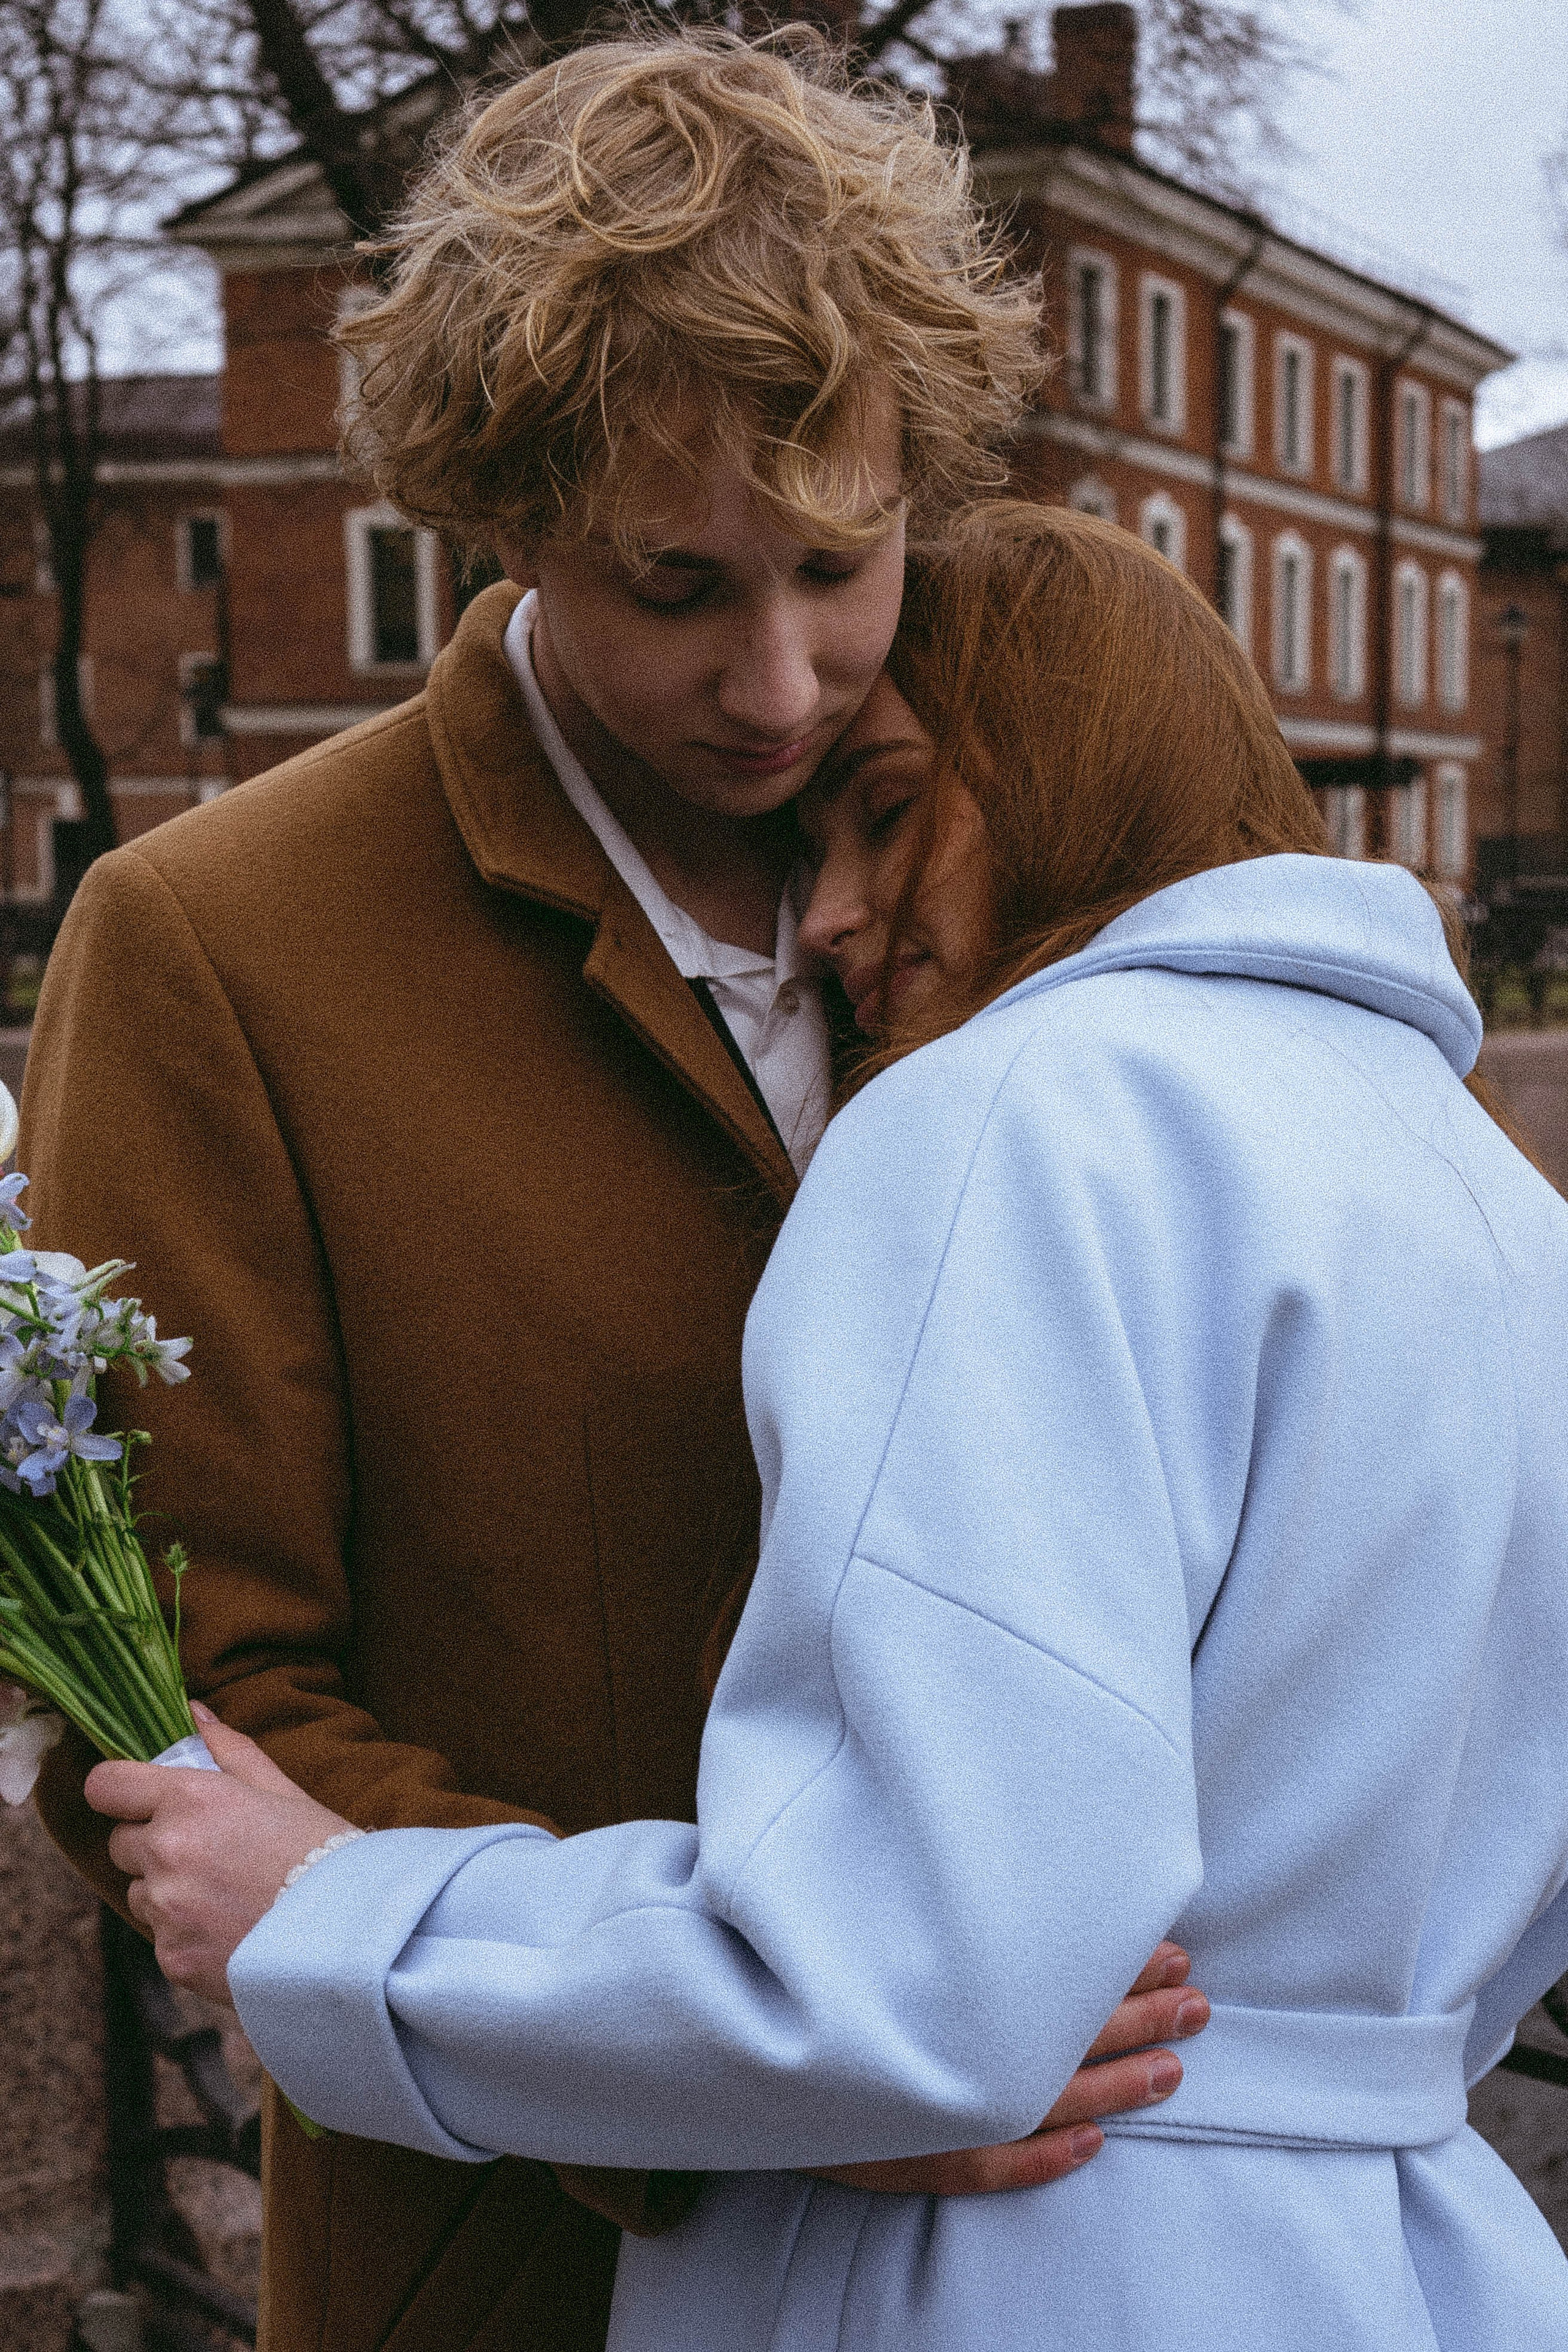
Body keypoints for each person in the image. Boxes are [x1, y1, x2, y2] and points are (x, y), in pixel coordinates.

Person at [92, 501, 1568, 2350]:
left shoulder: (1005, 1114)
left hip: (1023, 2264)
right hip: (1414, 2256)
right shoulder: (1502, 1203)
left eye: (887, 812)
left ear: (1073, 767)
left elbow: (903, 1990)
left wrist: (335, 1913)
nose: (839, 914)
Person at [26, 39, 1203, 2352]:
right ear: (505, 509)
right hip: (526, 2263)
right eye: (679, 585)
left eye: (845, 567)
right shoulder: (212, 946)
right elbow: (176, 1707)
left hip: (1094, 2236)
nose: (781, 684)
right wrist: (744, 2058)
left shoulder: (1036, 830)